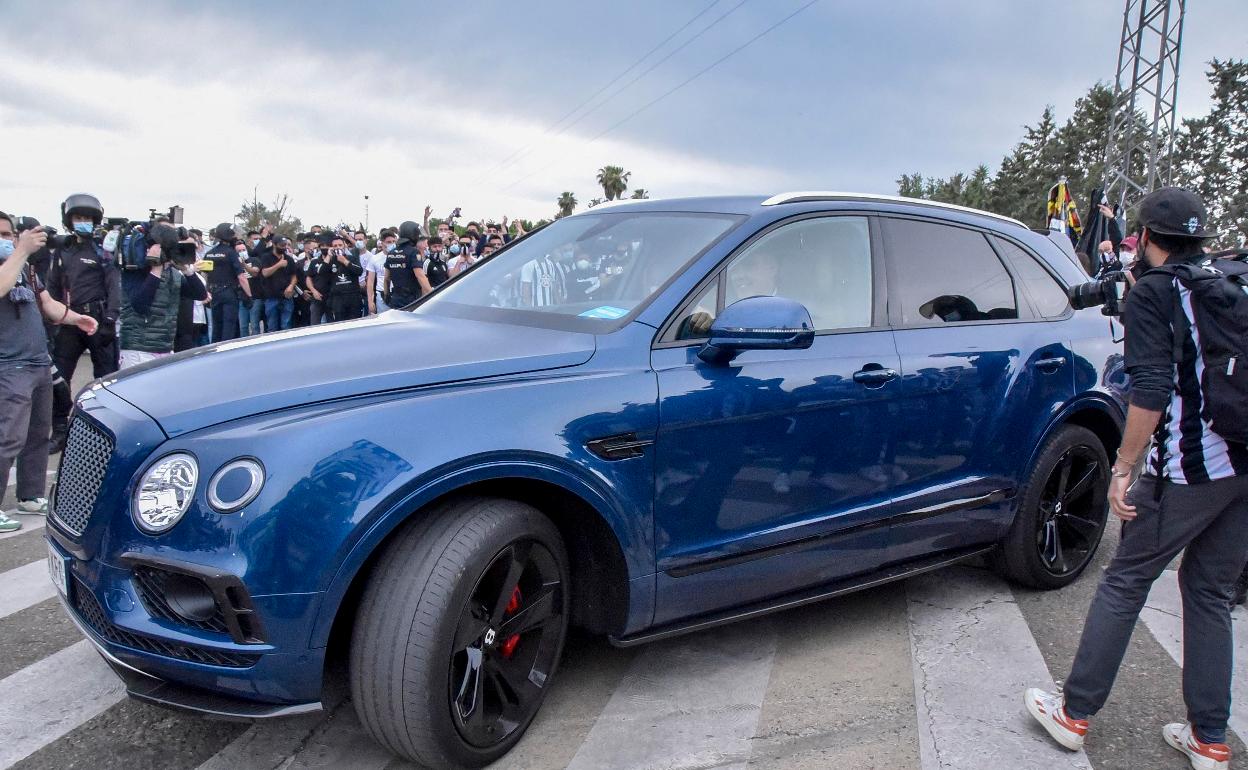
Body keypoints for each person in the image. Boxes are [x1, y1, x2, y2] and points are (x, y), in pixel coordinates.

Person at [1025, 188, 1247, 770]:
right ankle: (1210, 739)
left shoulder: (1156, 291)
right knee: (1209, 593)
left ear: (1145, 237)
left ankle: (1073, 715)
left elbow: (1148, 392)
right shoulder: (1229, 275)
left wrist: (1124, 467)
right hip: (1245, 466)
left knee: (1124, 582)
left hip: (1191, 469)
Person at [0, 214, 99, 532]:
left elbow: (49, 305)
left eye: (10, 233)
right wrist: (21, 251)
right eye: (2, 234)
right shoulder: (13, 264)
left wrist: (76, 318)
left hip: (38, 362)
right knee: (6, 438)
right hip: (9, 366)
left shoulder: (25, 269)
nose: (9, 238)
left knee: (37, 434)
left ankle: (29, 495)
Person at [47, 193, 119, 447]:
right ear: (69, 220)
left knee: (106, 378)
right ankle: (59, 428)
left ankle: (106, 430)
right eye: (78, 218)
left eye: (87, 218)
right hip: (70, 319)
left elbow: (114, 285)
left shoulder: (104, 250)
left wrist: (110, 318)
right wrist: (54, 318)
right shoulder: (62, 251)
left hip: (99, 319)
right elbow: (52, 287)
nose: (83, 222)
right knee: (59, 377)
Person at [119, 224, 209, 368]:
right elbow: (140, 305)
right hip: (137, 348)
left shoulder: (172, 274)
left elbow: (200, 294)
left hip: (165, 346)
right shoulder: (135, 272)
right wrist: (155, 267)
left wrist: (187, 271)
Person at [203, 223, 250, 341]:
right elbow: (241, 277)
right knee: (229, 327)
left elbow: (205, 275)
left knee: (216, 327)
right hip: (229, 293)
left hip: (214, 293)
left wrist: (206, 292)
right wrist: (249, 295)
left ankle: (215, 353)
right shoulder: (231, 253)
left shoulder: (209, 253)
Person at [384, 222, 432, 307]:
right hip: (411, 300)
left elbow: (387, 278)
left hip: (395, 298)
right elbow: (420, 276)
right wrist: (432, 296)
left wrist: (386, 295)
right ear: (413, 235)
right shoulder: (413, 252)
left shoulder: (391, 253)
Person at [259, 235, 297, 330]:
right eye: (281, 245)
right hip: (271, 297)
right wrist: (278, 265)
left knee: (286, 325)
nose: (284, 247)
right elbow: (265, 273)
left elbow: (294, 276)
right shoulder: (266, 257)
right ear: (274, 244)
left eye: (285, 245)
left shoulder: (289, 259)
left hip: (286, 296)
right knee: (272, 326)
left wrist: (291, 286)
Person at [326, 234, 364, 321]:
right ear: (331, 248)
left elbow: (359, 271)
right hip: (337, 299)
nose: (338, 247)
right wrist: (328, 256)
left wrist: (345, 261)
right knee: (340, 325)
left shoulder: (352, 258)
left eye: (340, 245)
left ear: (344, 246)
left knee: (355, 324)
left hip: (353, 297)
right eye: (335, 246)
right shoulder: (330, 261)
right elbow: (322, 273)